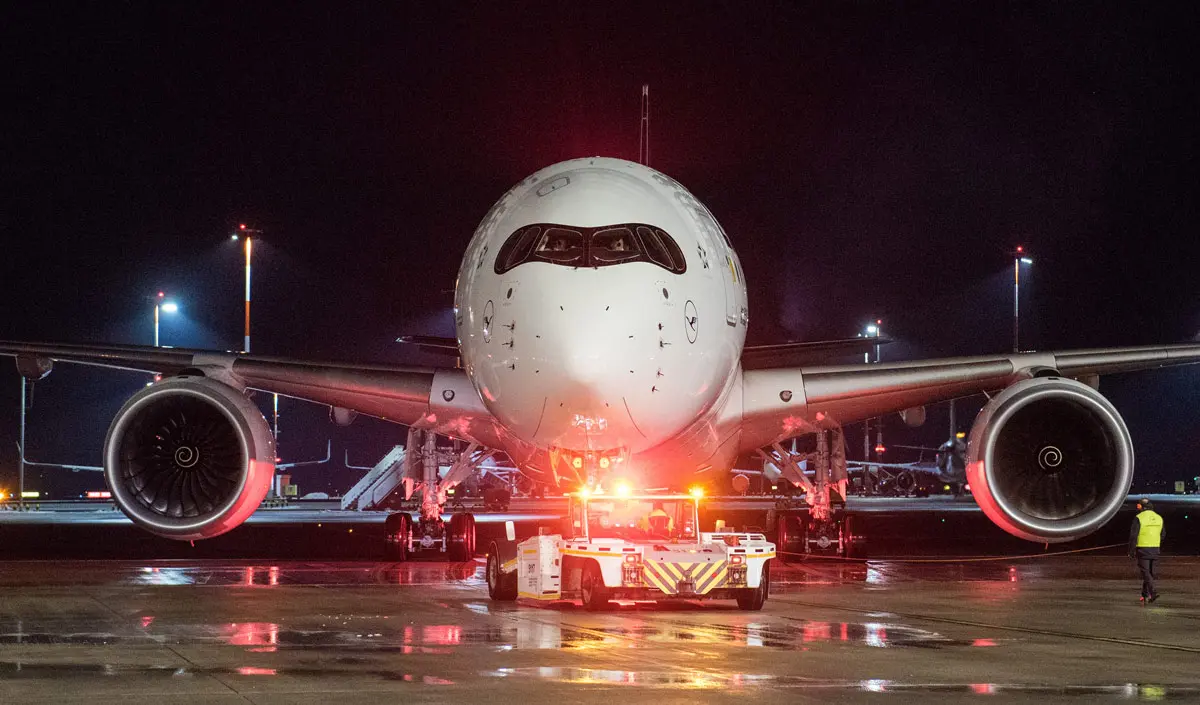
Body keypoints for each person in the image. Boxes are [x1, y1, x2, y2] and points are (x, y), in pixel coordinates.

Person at [1128, 498, 1165, 604]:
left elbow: (1133, 535)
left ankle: (1152, 593)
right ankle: (1144, 595)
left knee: (1145, 572)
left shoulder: (1139, 518)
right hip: (1155, 548)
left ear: (1141, 507)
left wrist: (1131, 550)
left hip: (1143, 548)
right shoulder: (1159, 518)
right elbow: (1163, 534)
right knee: (1150, 573)